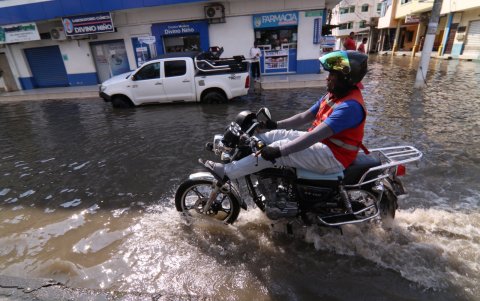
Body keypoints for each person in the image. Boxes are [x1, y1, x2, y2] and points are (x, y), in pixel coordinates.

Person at [200, 50, 369, 183]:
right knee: (273, 136)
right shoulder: (334, 95)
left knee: (280, 149)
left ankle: (227, 172)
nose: (327, 78)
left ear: (346, 78)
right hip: (324, 145)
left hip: (334, 156)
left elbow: (315, 135)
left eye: (332, 75)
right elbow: (306, 116)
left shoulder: (350, 107)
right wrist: (275, 125)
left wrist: (279, 151)